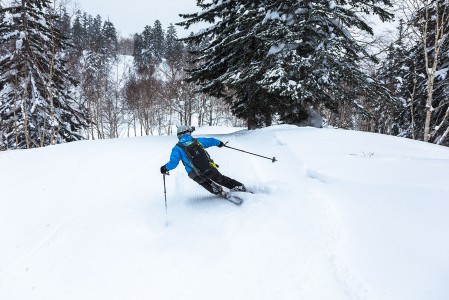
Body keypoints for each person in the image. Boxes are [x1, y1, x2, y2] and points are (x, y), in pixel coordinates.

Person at [160, 125, 247, 197]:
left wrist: (164, 168)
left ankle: (217, 190)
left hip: (194, 173)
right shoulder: (197, 141)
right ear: (188, 133)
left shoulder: (177, 148)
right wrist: (220, 143)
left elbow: (173, 163)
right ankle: (238, 186)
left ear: (179, 136)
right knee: (220, 178)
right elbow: (211, 141)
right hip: (208, 167)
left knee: (204, 182)